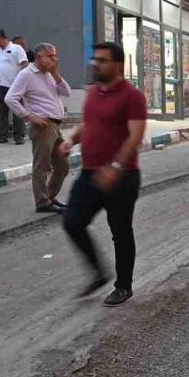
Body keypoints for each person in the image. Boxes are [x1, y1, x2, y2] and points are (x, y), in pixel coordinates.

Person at [61, 42, 147, 307]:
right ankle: (98, 273)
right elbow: (89, 124)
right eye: (94, 59)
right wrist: (71, 140)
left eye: (103, 60)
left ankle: (123, 286)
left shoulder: (133, 96)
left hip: (122, 177)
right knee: (72, 221)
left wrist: (116, 168)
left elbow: (135, 137)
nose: (96, 64)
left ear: (117, 65)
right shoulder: (93, 93)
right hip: (90, 173)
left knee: (120, 231)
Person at [6, 43, 70, 213]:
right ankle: (42, 202)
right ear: (39, 56)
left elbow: (67, 92)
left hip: (56, 124)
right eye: (51, 56)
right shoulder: (27, 74)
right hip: (43, 125)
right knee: (42, 165)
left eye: (55, 55)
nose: (54, 59)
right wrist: (29, 116)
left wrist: (55, 73)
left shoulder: (49, 75)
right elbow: (10, 98)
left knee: (63, 164)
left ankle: (49, 196)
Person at [0, 29, 29, 145]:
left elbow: (25, 64)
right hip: (0, 85)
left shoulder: (17, 49)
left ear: (0, 37)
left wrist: (20, 80)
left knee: (17, 111)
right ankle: (3, 135)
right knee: (2, 111)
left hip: (14, 85)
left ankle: (19, 136)